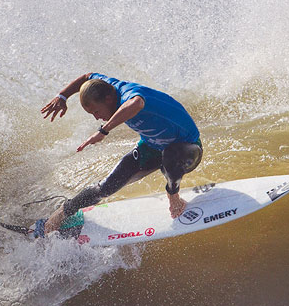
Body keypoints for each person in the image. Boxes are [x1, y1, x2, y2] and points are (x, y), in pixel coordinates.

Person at [28, 72, 203, 238]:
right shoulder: (102, 86)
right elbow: (87, 77)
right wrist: (63, 96)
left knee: (171, 155)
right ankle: (58, 217)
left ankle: (174, 196)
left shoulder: (128, 94)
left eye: (96, 111)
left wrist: (103, 131)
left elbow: (137, 104)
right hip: (152, 147)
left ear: (109, 99)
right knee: (106, 187)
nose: (97, 117)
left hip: (187, 149)